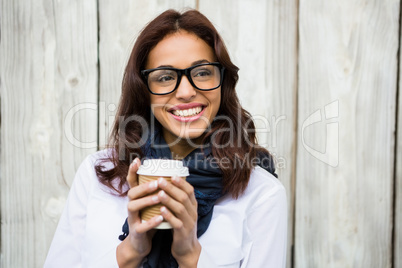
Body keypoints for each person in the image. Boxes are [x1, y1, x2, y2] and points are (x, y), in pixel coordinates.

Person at [44, 9, 287, 268]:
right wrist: (131, 251)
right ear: (144, 90)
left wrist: (190, 255)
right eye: (165, 77)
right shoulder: (99, 174)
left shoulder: (261, 194)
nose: (186, 91)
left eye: (203, 72)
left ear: (222, 82)